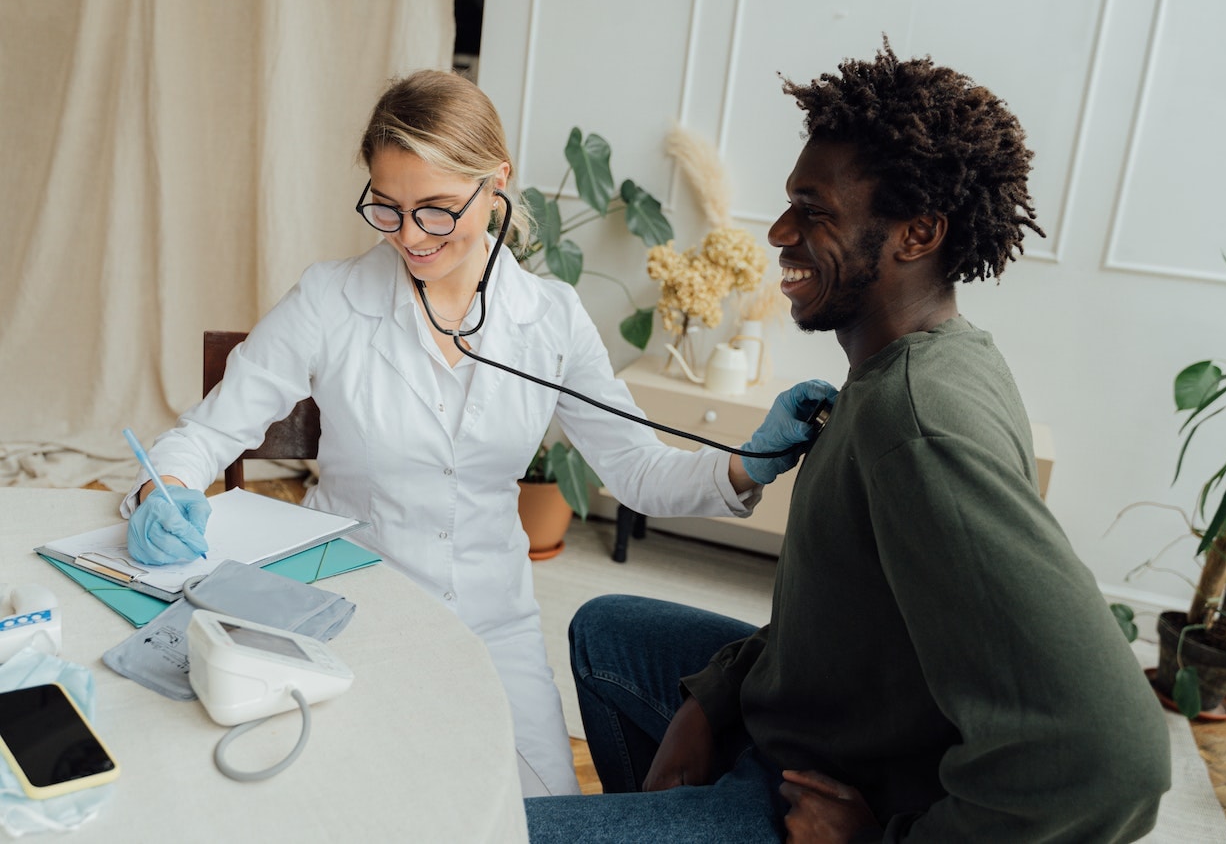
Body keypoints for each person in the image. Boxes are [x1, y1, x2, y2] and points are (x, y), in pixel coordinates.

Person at [118, 69, 832, 798]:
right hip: (345, 604)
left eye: (434, 210)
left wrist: (745, 465)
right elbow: (207, 430)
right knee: (344, 802)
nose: (408, 236)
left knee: (534, 809)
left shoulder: (549, 319)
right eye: (387, 209)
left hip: (494, 621)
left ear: (497, 183)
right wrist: (163, 488)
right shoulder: (329, 299)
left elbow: (636, 469)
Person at [524, 40, 1172, 841]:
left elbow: (1116, 758)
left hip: (818, 790)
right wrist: (714, 696)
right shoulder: (925, 363)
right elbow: (844, 613)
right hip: (815, 724)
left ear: (916, 233)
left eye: (814, 210)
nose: (781, 231)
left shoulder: (918, 422)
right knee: (607, 629)